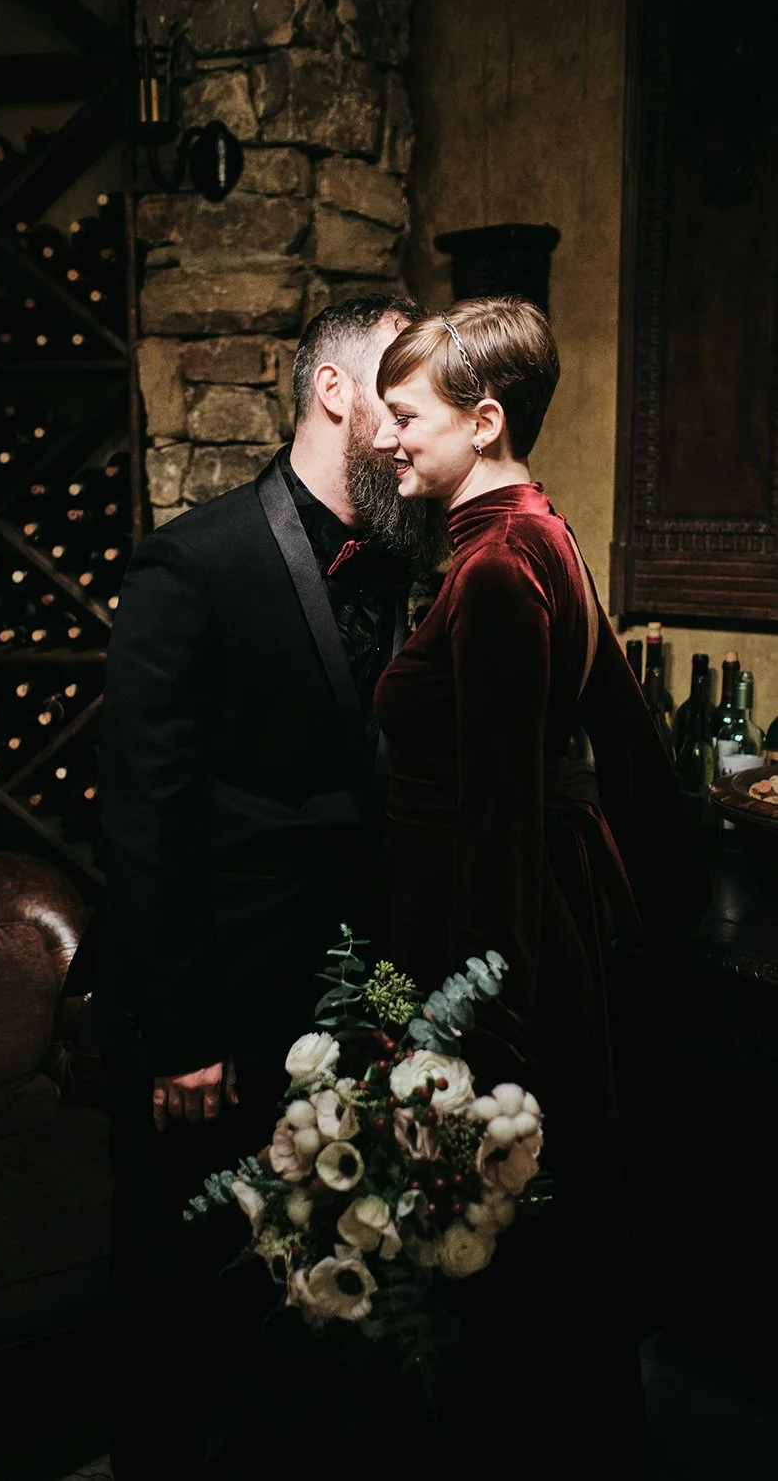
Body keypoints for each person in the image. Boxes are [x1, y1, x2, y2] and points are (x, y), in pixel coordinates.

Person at [69, 293, 449, 1480]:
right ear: (333, 391)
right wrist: (183, 1033)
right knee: (172, 1295)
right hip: (208, 1010)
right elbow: (145, 816)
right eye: (394, 391)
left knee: (306, 1306)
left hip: (336, 1003)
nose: (411, 421)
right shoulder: (193, 562)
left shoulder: (407, 558)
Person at [370, 297, 711, 1480]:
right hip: (519, 929)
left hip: (484, 945)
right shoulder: (537, 530)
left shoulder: (501, 565)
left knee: (503, 1246)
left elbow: (501, 820)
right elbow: (630, 736)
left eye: (406, 414)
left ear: (485, 421)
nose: (385, 437)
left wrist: (476, 1028)